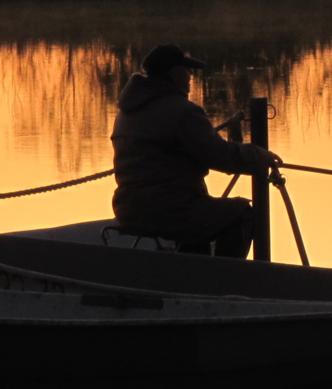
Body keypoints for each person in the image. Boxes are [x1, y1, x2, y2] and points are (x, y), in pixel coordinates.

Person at [111, 44, 279, 257]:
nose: (191, 75)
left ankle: (192, 277)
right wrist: (261, 157)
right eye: (187, 70)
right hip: (169, 209)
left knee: (201, 224)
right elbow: (219, 155)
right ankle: (225, 282)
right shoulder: (182, 111)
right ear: (174, 74)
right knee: (241, 213)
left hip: (129, 209)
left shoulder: (126, 113)